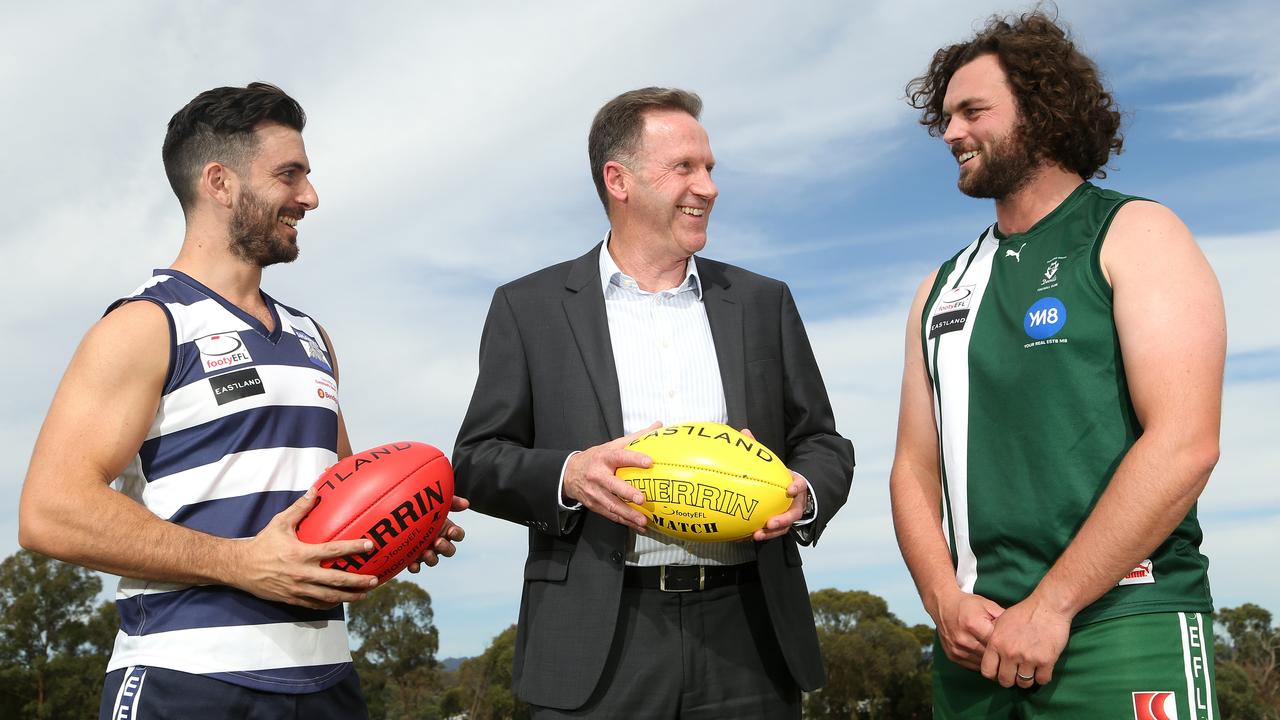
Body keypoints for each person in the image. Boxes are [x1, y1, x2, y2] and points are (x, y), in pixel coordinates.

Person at [18, 82, 465, 720]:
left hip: (328, 682)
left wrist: (402, 521)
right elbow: (50, 511)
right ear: (219, 183)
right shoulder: (146, 325)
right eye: (290, 176)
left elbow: (337, 496)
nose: (309, 197)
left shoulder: (311, 336)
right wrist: (241, 562)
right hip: (188, 681)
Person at [453, 87, 854, 719]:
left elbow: (824, 441)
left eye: (710, 169)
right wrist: (569, 475)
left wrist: (803, 491)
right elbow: (476, 460)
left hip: (748, 631)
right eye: (685, 168)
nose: (709, 187)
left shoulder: (762, 301)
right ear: (620, 180)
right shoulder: (527, 308)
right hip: (596, 638)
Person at [890, 11, 1226, 720]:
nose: (950, 133)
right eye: (946, 117)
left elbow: (1184, 444)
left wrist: (1054, 604)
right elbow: (912, 468)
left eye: (972, 111)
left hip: (1123, 623)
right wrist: (942, 599)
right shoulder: (940, 288)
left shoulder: (1137, 234)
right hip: (975, 649)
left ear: (1042, 113)